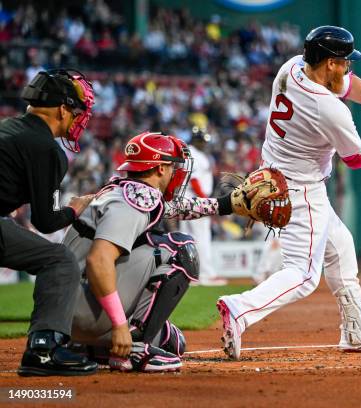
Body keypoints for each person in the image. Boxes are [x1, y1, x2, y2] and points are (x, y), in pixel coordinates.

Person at [217, 25, 361, 360]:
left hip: (276, 175)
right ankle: (240, 309)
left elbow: (349, 85)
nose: (348, 67)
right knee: (303, 275)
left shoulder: (293, 67)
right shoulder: (327, 108)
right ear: (329, 63)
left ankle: (356, 333)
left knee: (341, 250)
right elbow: (357, 159)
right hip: (301, 190)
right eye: (343, 61)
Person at [63, 131, 250, 373]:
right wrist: (120, 326)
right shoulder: (132, 201)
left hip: (68, 311)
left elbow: (174, 208)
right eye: (173, 166)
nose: (177, 172)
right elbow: (99, 260)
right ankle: (134, 349)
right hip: (83, 310)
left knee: (172, 342)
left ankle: (92, 347)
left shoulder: (125, 191)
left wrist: (226, 204)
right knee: (180, 249)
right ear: (160, 168)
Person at [0, 69, 98, 376]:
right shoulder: (46, 149)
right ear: (61, 109)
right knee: (60, 261)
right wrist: (74, 210)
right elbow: (45, 221)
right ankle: (44, 349)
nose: (78, 118)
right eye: (77, 111)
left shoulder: (8, 128)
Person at [179, 126, 227, 286]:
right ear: (196, 140)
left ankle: (189, 275)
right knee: (201, 238)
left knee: (188, 238)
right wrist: (206, 202)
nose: (205, 144)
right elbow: (194, 180)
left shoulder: (195, 154)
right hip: (195, 200)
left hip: (189, 200)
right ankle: (205, 274)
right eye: (202, 141)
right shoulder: (193, 154)